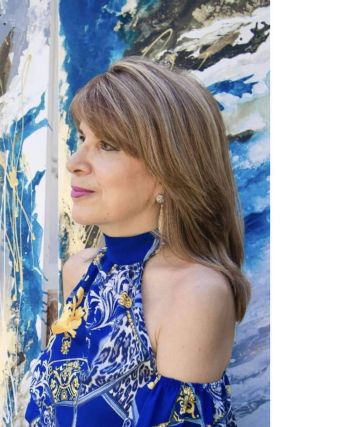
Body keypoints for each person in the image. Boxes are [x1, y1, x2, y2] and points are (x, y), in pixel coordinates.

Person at [24, 56, 251, 426]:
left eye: (107, 145)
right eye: (82, 138)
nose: (74, 162)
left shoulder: (193, 294)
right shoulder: (80, 272)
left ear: (168, 171)